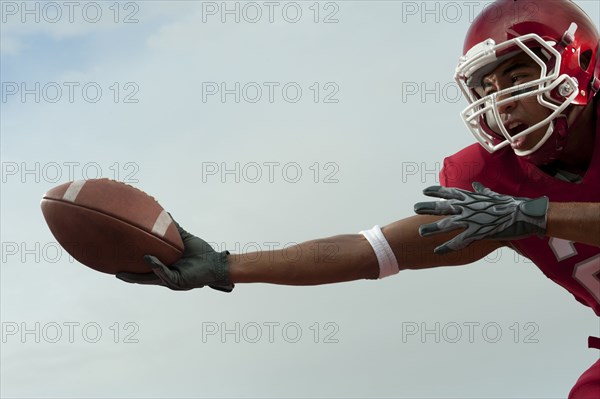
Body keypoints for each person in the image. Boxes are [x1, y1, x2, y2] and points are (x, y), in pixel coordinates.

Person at [117, 0, 600, 397]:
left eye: (517, 78)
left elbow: (531, 216)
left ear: (578, 61)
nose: (501, 102)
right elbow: (373, 252)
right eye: (488, 88)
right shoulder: (493, 181)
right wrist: (226, 265)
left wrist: (536, 215)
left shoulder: (514, 205)